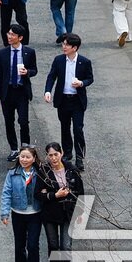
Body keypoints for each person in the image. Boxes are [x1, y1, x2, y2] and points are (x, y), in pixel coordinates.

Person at [36, 143, 83, 262]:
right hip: (49, 213)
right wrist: (54, 195)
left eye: (56, 154)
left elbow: (80, 192)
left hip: (68, 213)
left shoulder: (72, 170)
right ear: (47, 157)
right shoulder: (43, 171)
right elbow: (38, 194)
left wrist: (80, 212)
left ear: (61, 153)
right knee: (53, 244)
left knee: (66, 246)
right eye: (50, 155)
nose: (53, 158)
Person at [43, 34, 94, 169]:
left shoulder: (85, 61)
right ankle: (67, 153)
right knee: (64, 128)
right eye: (63, 44)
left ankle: (79, 157)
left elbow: (90, 78)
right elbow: (51, 76)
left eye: (66, 45)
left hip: (77, 100)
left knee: (78, 129)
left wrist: (81, 83)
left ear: (75, 48)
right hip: (63, 100)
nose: (64, 47)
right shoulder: (59, 60)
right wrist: (47, 91)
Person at [0, 145, 44, 262]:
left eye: (27, 157)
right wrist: (5, 213)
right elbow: (6, 193)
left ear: (34, 159)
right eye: (22, 156)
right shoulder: (12, 173)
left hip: (35, 214)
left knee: (33, 245)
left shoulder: (40, 173)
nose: (24, 159)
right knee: (19, 244)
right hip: (18, 213)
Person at [0, 24, 37, 159]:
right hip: (7, 92)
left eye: (13, 35)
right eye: (9, 34)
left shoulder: (29, 52)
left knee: (23, 120)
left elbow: (34, 69)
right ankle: (13, 148)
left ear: (20, 37)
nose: (9, 37)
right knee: (9, 121)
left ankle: (25, 146)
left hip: (22, 91)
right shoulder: (2, 53)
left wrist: (27, 72)